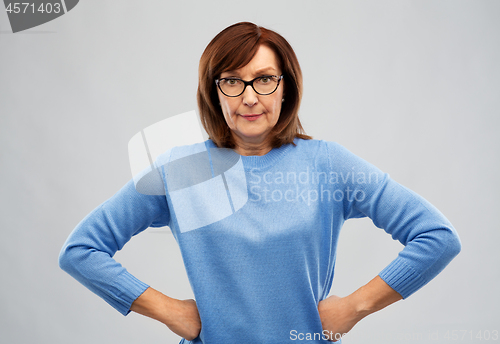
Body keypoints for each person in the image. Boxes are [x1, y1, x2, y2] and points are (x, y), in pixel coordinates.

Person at [59, 22, 461, 343]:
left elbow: (437, 237)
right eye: (232, 81)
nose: (249, 97)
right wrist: (169, 310)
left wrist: (355, 307)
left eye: (264, 79)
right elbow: (81, 250)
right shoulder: (180, 171)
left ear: (286, 87)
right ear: (214, 92)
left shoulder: (328, 164)